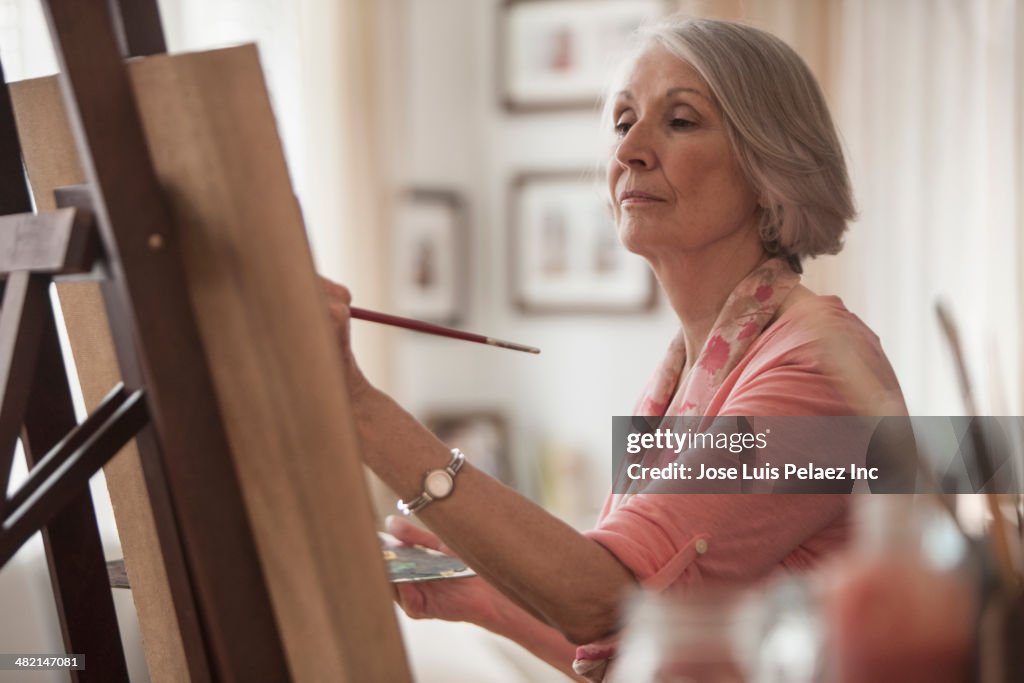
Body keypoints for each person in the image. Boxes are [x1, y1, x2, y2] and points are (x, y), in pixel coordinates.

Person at [322, 16, 907, 681]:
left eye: (680, 121)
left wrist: (359, 406)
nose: (631, 149)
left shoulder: (818, 367)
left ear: (770, 165)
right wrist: (484, 595)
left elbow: (601, 596)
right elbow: (634, 637)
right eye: (624, 121)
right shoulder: (686, 372)